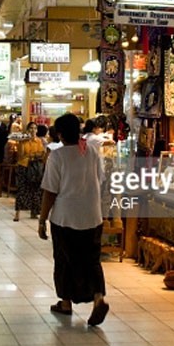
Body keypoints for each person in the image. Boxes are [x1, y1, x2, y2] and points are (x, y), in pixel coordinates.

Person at [38, 113, 109, 326]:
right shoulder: (92, 152)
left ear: (59, 134)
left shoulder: (57, 156)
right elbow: (100, 179)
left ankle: (66, 302)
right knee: (91, 260)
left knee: (64, 260)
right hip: (92, 216)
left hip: (65, 218)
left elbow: (50, 191)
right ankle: (98, 298)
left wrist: (42, 220)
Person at [14, 122, 45, 222]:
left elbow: (41, 153)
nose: (33, 130)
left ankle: (34, 211)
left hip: (35, 168)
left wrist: (33, 155)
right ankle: (17, 213)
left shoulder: (39, 141)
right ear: (27, 130)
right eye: (31, 128)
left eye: (35, 128)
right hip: (23, 166)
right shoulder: (23, 141)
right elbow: (21, 155)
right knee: (22, 189)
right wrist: (32, 154)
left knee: (35, 189)